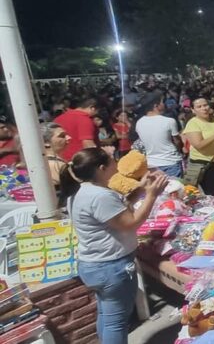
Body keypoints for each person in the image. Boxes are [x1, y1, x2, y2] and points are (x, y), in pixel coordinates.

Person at [68, 148, 168, 344]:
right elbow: (130, 222)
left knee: (107, 315)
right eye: (113, 161)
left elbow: (117, 214)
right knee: (117, 322)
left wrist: (141, 189)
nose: (117, 163)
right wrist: (152, 195)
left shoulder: (85, 191)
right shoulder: (99, 196)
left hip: (95, 265)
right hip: (111, 267)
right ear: (102, 168)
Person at [181, 97, 214, 198]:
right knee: (213, 195)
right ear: (193, 110)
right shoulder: (193, 123)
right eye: (199, 107)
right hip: (205, 165)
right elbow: (199, 145)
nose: (204, 108)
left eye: (205, 105)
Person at [135, 92, 184, 177]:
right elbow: (178, 143)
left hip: (151, 164)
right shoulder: (169, 121)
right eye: (162, 102)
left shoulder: (139, 123)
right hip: (171, 162)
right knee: (175, 188)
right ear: (156, 106)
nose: (164, 104)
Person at [54, 95, 98, 161]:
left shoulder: (58, 118)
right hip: (81, 161)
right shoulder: (84, 119)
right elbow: (88, 144)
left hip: (61, 160)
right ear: (92, 108)